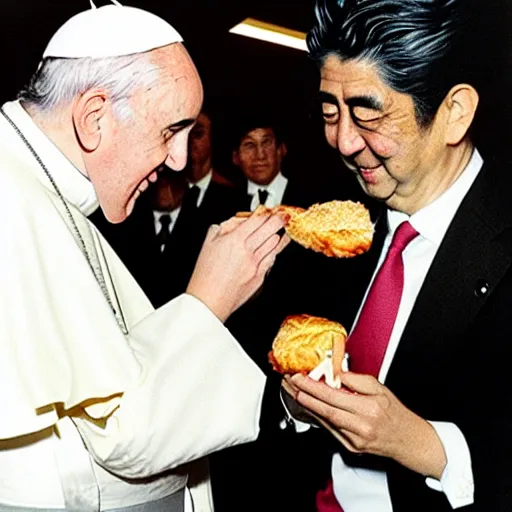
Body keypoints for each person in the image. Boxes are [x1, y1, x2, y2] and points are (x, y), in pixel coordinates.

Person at [0, 2, 290, 511]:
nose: (180, 159)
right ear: (94, 118)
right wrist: (207, 302)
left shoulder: (41, 191)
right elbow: (122, 439)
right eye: (170, 131)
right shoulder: (13, 201)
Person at [280, 0, 512, 511]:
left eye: (368, 114)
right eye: (328, 113)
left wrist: (425, 447)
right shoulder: (333, 229)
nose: (342, 141)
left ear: (453, 113)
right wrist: (295, 401)